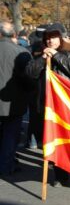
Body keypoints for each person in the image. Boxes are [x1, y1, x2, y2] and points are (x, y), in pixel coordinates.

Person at [25, 23, 70, 187]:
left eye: (53, 37)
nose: (50, 41)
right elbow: (30, 73)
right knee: (53, 140)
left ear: (61, 38)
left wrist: (56, 55)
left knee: (69, 140)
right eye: (47, 38)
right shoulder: (41, 55)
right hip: (47, 106)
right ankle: (59, 174)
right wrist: (42, 59)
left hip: (67, 105)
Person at [0, 22, 32, 176]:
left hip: (12, 100)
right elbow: (29, 78)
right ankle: (6, 165)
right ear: (13, 35)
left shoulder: (22, 52)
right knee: (10, 135)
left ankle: (6, 163)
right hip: (15, 102)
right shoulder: (21, 52)